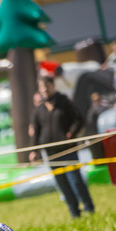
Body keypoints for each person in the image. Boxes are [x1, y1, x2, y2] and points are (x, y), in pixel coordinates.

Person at [30, 76, 95, 219]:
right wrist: (34, 151)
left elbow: (79, 119)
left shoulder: (64, 101)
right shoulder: (38, 110)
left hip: (68, 149)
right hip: (51, 153)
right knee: (62, 184)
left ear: (53, 85)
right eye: (42, 87)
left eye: (47, 86)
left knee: (75, 180)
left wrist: (72, 133)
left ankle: (88, 208)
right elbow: (36, 132)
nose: (45, 89)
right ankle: (74, 212)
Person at [85, 92, 107, 159]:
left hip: (103, 136)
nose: (96, 102)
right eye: (94, 100)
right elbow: (90, 125)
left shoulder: (104, 109)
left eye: (98, 100)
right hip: (95, 137)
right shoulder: (91, 111)